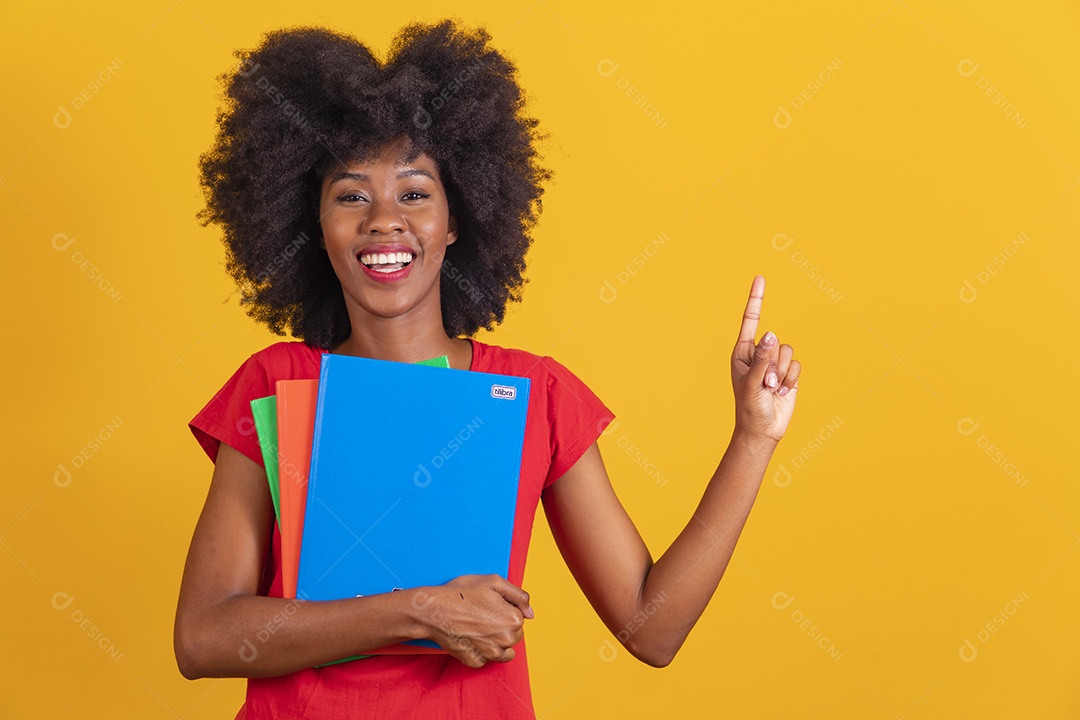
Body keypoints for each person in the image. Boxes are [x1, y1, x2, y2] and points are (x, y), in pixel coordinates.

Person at [174, 19, 801, 720]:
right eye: (351, 196)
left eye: (415, 193)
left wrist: (752, 440)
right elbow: (203, 640)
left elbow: (651, 628)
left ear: (457, 220)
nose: (384, 219)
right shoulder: (276, 384)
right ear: (313, 226)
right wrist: (415, 612)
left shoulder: (538, 396)